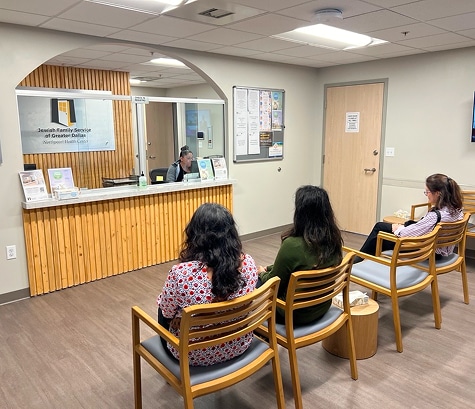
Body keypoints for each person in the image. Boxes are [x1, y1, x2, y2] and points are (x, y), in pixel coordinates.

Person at [156, 203, 258, 366]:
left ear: (195, 235)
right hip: (239, 344)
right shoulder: (249, 263)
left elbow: (167, 314)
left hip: (193, 355)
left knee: (162, 307)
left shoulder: (181, 273)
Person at [257, 185, 343, 325]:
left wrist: (261, 273)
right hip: (322, 306)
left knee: (253, 282)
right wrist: (271, 267)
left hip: (292, 314)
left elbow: (273, 282)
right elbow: (300, 265)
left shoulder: (292, 245)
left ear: (301, 213)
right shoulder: (333, 240)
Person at [356, 173, 464, 262]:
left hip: (426, 252)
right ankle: (360, 259)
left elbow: (406, 234)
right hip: (440, 249)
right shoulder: (458, 211)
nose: (426, 195)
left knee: (379, 233)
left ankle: (358, 260)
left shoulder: (436, 216)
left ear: (438, 193)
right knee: (406, 223)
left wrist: (398, 228)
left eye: (427, 192)